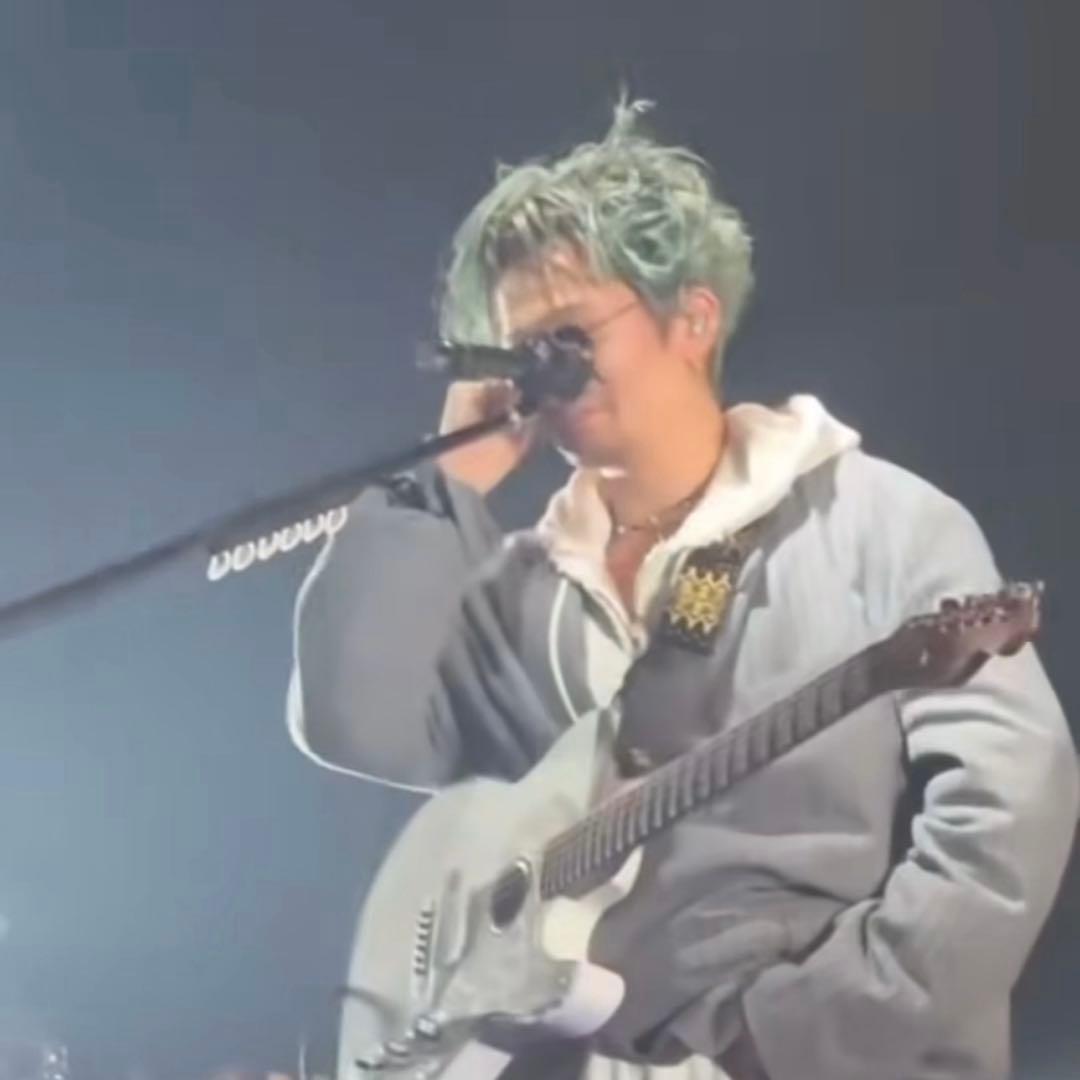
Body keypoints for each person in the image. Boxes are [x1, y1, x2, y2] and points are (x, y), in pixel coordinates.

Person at [286, 100, 1079, 1079]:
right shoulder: (525, 588)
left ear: (693, 319)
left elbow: (1011, 805)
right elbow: (352, 720)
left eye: (569, 335)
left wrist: (821, 1022)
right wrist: (441, 482)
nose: (544, 376)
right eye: (521, 351)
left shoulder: (879, 520)